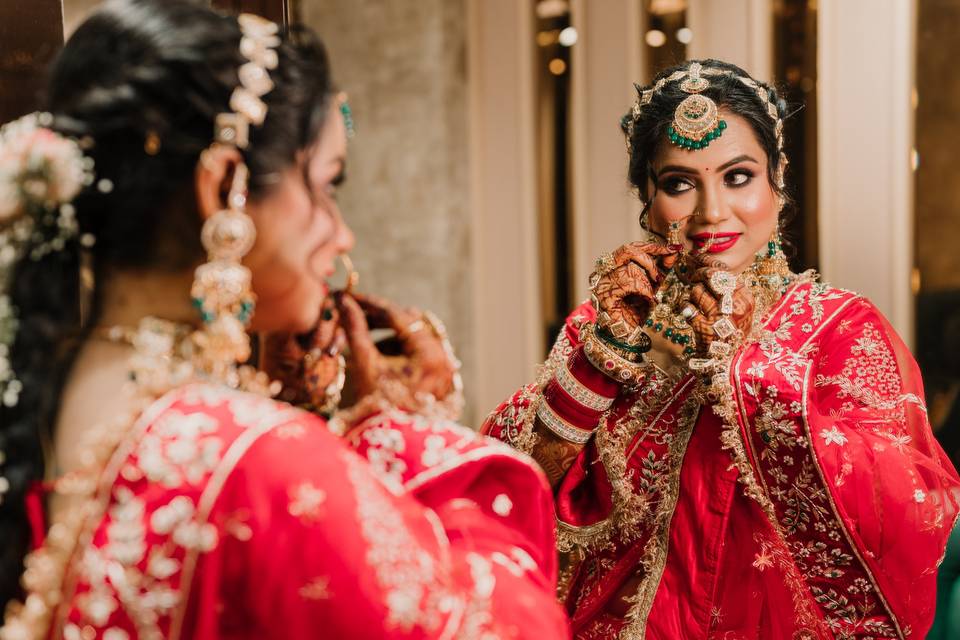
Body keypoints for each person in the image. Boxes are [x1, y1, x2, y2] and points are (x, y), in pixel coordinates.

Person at [0, 1, 568, 638]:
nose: (342, 234)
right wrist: (402, 431)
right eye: (325, 186)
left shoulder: (44, 389)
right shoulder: (252, 456)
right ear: (225, 188)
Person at [483, 59, 960, 639]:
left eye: (738, 177)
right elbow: (511, 486)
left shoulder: (840, 330)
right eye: (679, 183)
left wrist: (743, 367)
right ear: (647, 198)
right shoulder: (613, 324)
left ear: (777, 179)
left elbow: (906, 515)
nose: (711, 213)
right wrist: (601, 358)